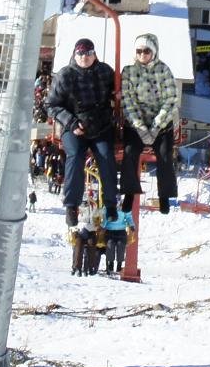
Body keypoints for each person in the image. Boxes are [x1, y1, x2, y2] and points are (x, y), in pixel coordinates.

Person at [46, 37, 120, 226]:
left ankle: (111, 204)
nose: (84, 58)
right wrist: (70, 122)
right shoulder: (65, 75)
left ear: (94, 54)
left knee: (106, 156)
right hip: (74, 126)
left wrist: (117, 94)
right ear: (74, 55)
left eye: (88, 53)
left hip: (100, 125)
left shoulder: (104, 71)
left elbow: (116, 89)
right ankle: (72, 205)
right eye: (81, 54)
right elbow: (51, 105)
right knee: (76, 156)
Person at [120, 32, 181, 215]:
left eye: (146, 51)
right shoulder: (129, 71)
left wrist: (156, 127)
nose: (142, 55)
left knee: (164, 154)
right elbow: (127, 100)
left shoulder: (163, 70)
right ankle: (129, 192)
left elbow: (170, 100)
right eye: (139, 51)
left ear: (153, 52)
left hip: (160, 124)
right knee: (130, 153)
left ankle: (164, 196)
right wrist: (140, 127)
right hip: (137, 124)